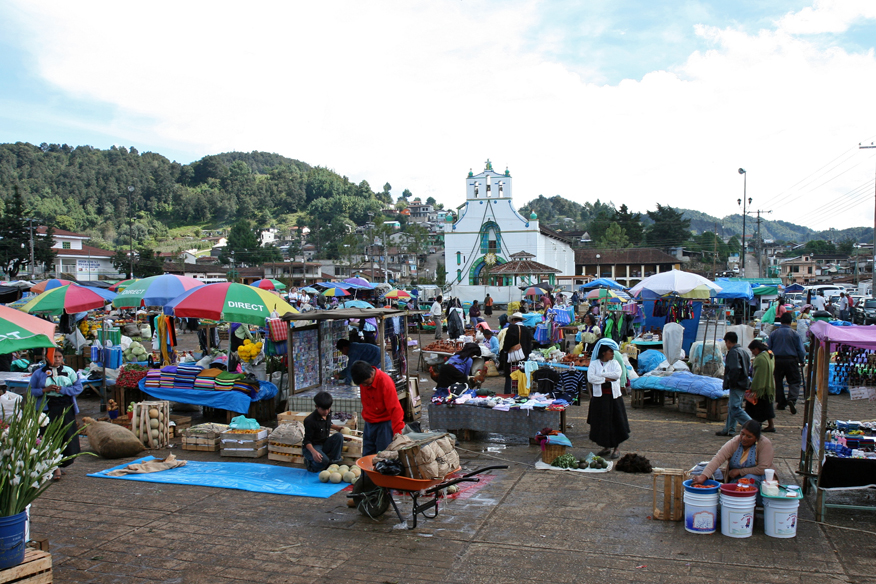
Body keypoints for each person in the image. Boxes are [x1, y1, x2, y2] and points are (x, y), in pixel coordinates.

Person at [28, 349, 83, 480]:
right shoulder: (39, 373)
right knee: (48, 435)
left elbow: (78, 388)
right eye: (54, 356)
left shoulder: (69, 372)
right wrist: (44, 390)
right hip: (48, 408)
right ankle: (54, 467)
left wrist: (63, 389)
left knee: (66, 435)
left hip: (65, 407)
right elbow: (30, 391)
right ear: (47, 358)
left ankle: (61, 463)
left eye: (59, 356)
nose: (57, 359)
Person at [693, 420, 774, 503]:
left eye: (749, 436)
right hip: (737, 480)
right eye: (742, 434)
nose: (744, 438)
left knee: (749, 479)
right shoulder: (736, 441)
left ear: (756, 438)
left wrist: (740, 471)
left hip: (760, 480)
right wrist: (703, 477)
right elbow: (718, 458)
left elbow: (763, 468)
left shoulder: (764, 444)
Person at [351, 361, 405, 456]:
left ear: (371, 374)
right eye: (361, 384)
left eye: (365, 383)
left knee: (382, 457)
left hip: (384, 426)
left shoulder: (385, 382)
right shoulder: (364, 380)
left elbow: (395, 410)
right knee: (367, 456)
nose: (363, 386)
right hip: (369, 423)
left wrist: (398, 434)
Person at [586, 345, 630, 459]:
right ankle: (606, 446)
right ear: (604, 353)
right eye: (610, 352)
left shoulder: (615, 363)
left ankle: (616, 447)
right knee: (602, 422)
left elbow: (616, 375)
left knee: (616, 422)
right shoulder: (594, 363)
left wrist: (600, 376)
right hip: (600, 398)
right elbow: (591, 378)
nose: (612, 354)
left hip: (614, 398)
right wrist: (605, 378)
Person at [768, 312, 806, 415]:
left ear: (780, 322)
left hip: (777, 360)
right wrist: (802, 361)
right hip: (791, 360)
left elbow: (768, 349)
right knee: (795, 381)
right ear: (791, 322)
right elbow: (801, 350)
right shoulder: (795, 334)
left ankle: (781, 403)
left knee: (778, 381)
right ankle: (792, 399)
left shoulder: (774, 333)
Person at [716, 331, 751, 437]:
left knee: (735, 407)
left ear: (728, 341)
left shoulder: (733, 352)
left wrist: (732, 381)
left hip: (737, 383)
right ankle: (729, 429)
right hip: (743, 382)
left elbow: (735, 368)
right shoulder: (743, 351)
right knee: (733, 407)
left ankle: (751, 425)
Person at [302, 391, 345, 473]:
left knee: (339, 436)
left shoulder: (327, 414)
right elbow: (307, 441)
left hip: (323, 443)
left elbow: (326, 424)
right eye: (323, 409)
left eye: (328, 409)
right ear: (316, 407)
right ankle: (310, 464)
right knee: (324, 461)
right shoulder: (310, 421)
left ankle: (334, 462)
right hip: (313, 447)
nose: (326, 412)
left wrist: (338, 428)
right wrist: (314, 453)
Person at [746, 340, 776, 432]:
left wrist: (753, 387)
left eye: (753, 351)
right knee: (767, 406)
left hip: (761, 387)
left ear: (757, 349)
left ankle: (755, 424)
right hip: (769, 385)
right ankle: (771, 425)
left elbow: (758, 375)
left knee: (758, 407)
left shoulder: (760, 359)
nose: (753, 353)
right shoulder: (769, 354)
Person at [500, 312, 533, 394]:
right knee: (521, 374)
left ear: (514, 320)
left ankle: (508, 392)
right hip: (523, 356)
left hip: (513, 356)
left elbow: (507, 342)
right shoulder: (526, 329)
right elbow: (530, 343)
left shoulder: (512, 328)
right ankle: (520, 390)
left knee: (510, 374)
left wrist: (505, 351)